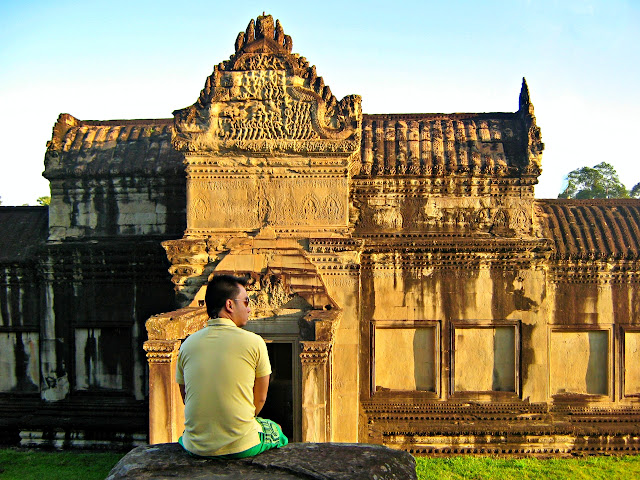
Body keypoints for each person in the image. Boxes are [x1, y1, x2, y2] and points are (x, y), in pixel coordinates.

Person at [176, 274, 288, 458]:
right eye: (246, 302)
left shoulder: (187, 344)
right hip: (241, 445)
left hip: (196, 446)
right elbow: (259, 400)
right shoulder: (255, 342)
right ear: (229, 305)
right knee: (276, 429)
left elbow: (186, 396)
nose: (250, 309)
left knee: (185, 436)